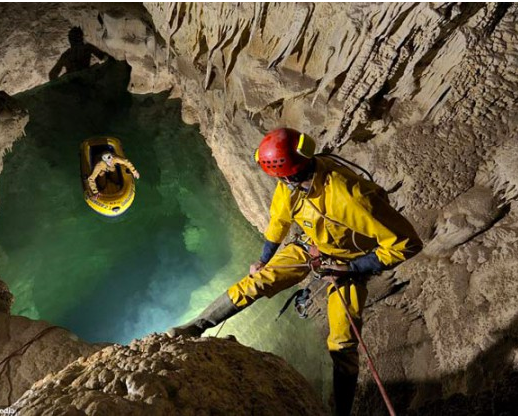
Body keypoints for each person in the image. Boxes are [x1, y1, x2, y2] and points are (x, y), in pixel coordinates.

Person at [166, 127, 423, 415]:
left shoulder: (350, 196)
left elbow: (408, 243)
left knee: (343, 345)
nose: (278, 183)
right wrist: (264, 259)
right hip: (311, 249)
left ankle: (341, 412)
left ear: (288, 172)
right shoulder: (293, 184)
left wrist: (350, 268)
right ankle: (196, 327)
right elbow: (279, 221)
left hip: (349, 263)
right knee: (255, 282)